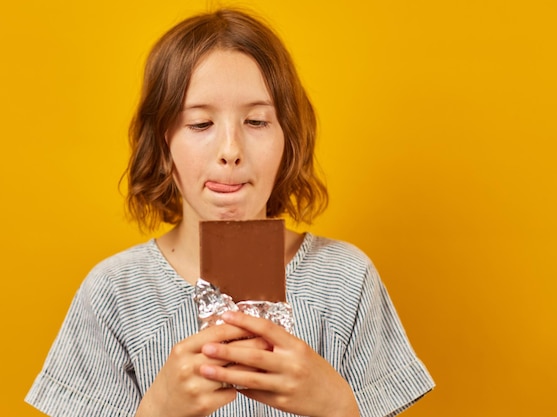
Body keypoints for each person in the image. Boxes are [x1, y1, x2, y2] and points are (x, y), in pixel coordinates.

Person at [26, 8, 434, 417]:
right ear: (162, 145)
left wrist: (340, 407)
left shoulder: (346, 280)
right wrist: (156, 410)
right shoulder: (113, 294)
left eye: (256, 121)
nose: (231, 151)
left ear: (288, 140)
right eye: (201, 124)